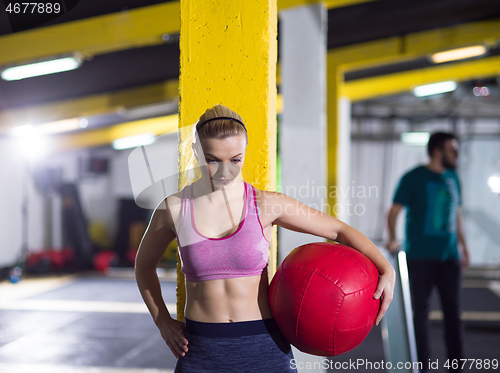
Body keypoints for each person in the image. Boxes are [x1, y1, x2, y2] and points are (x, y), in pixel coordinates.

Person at [135, 104, 395, 372]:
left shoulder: (267, 204)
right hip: (200, 349)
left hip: (264, 344)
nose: (225, 172)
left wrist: (387, 269)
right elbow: (143, 266)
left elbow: (338, 231)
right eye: (213, 160)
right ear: (196, 152)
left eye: (235, 160)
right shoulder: (174, 208)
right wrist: (162, 321)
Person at [386, 132, 470, 373]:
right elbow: (393, 212)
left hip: (449, 258)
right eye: (451, 149)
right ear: (437, 151)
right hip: (420, 258)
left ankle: (457, 367)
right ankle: (421, 366)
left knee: (453, 315)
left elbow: (457, 214)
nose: (456, 154)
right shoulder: (413, 178)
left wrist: (463, 245)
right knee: (420, 315)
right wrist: (392, 239)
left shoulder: (454, 178)